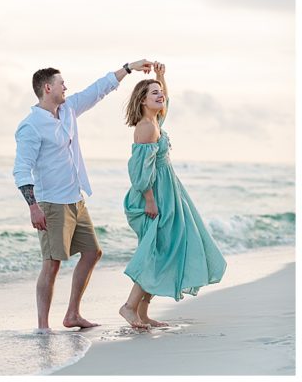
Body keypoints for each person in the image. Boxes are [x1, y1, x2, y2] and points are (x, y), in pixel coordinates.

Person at [13, 59, 153, 331]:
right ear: (47, 87)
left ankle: (73, 314)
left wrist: (129, 68)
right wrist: (33, 207)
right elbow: (21, 170)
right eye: (61, 83)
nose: (66, 87)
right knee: (51, 264)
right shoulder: (30, 126)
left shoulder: (68, 110)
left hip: (76, 199)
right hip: (51, 203)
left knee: (92, 252)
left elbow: (98, 89)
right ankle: (43, 326)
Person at [119, 62, 226, 328]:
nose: (160, 95)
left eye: (160, 92)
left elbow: (168, 102)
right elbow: (139, 172)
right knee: (158, 253)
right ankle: (129, 307)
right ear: (142, 101)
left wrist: (160, 77)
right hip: (154, 197)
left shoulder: (155, 121)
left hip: (169, 193)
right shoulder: (146, 127)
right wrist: (150, 200)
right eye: (153, 93)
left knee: (165, 250)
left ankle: (142, 313)